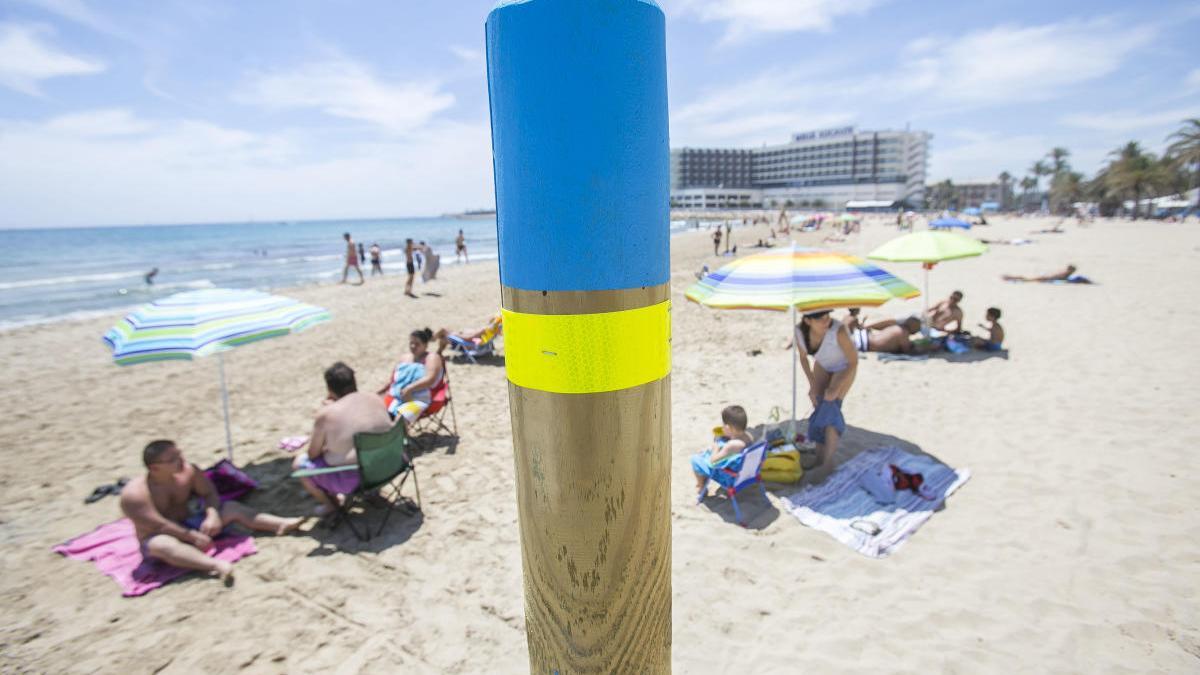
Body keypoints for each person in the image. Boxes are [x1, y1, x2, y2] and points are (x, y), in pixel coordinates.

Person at [121, 440, 302, 583]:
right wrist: (191, 536)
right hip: (161, 535)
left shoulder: (188, 471)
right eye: (173, 459)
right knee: (162, 545)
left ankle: (279, 524)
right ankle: (214, 565)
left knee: (232, 507)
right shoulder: (135, 495)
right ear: (155, 467)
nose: (181, 461)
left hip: (191, 521)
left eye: (179, 455)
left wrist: (212, 515)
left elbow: (209, 493)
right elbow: (158, 525)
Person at [293, 362, 393, 516]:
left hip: (359, 479)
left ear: (329, 389)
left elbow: (313, 454)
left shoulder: (326, 415)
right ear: (354, 382)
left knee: (300, 464)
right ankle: (373, 494)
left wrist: (328, 408)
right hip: (391, 465)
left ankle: (331, 504)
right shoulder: (375, 398)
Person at [795, 310, 858, 469]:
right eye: (820, 319)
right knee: (818, 402)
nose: (826, 321)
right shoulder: (800, 332)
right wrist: (812, 385)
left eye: (827, 317)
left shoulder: (838, 330)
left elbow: (853, 361)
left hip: (844, 367)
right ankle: (819, 456)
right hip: (823, 364)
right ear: (808, 321)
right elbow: (803, 358)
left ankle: (828, 460)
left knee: (831, 403)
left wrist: (836, 387)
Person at [378, 328, 445, 427]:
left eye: (417, 344)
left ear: (425, 345)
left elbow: (430, 379)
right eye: (411, 343)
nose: (413, 346)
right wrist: (382, 390)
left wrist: (410, 388)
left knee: (399, 420)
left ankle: (397, 438)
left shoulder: (432, 357)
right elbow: (394, 380)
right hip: (397, 395)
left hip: (420, 399)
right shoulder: (405, 358)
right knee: (376, 415)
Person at [691, 405, 753, 498]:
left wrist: (715, 447)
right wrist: (728, 435)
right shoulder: (748, 436)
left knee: (695, 460)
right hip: (745, 474)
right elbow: (735, 440)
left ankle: (702, 487)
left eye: (724, 425)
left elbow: (713, 461)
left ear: (729, 427)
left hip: (730, 478)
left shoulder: (732, 445)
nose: (722, 427)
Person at [435, 313, 502, 356]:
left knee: (443, 335)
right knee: (443, 333)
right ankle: (437, 351)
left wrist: (455, 335)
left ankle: (434, 344)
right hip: (469, 343)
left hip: (466, 345)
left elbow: (469, 338)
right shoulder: (492, 331)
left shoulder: (485, 330)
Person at [851, 317, 924, 354]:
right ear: (913, 326)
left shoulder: (896, 327)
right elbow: (907, 350)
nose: (919, 329)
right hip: (865, 344)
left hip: (864, 336)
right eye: (918, 327)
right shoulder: (904, 333)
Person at [1003, 264, 1092, 284]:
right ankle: (1010, 277)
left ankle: (1010, 277)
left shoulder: (1064, 272)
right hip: (1046, 278)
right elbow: (1059, 278)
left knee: (1028, 279)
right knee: (1028, 280)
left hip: (1046, 277)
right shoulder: (1065, 273)